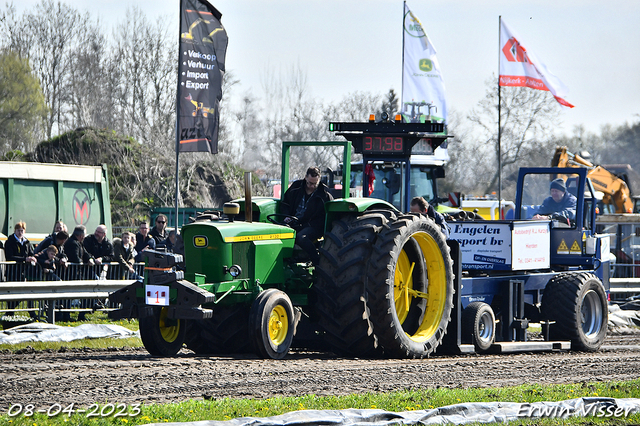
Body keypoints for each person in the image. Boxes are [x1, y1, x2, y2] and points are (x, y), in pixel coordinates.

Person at [280, 166, 333, 264]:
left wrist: (307, 225)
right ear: (305, 178)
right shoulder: (296, 187)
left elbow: (325, 217)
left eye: (314, 184)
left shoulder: (324, 195)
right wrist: (286, 216)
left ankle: (317, 262)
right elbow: (285, 204)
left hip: (312, 225)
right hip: (293, 221)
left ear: (319, 180)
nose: (311, 186)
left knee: (301, 237)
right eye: (309, 183)